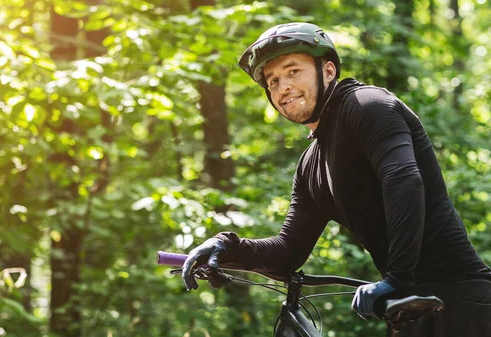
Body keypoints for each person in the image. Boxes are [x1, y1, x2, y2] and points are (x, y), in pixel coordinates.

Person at [181, 22, 491, 336]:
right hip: (408, 308)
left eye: (293, 71)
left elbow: (405, 181)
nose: (282, 87)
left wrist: (396, 279)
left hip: (460, 302)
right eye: (272, 81)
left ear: (328, 71)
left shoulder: (368, 106)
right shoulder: (310, 164)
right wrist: (225, 246)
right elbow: (288, 251)